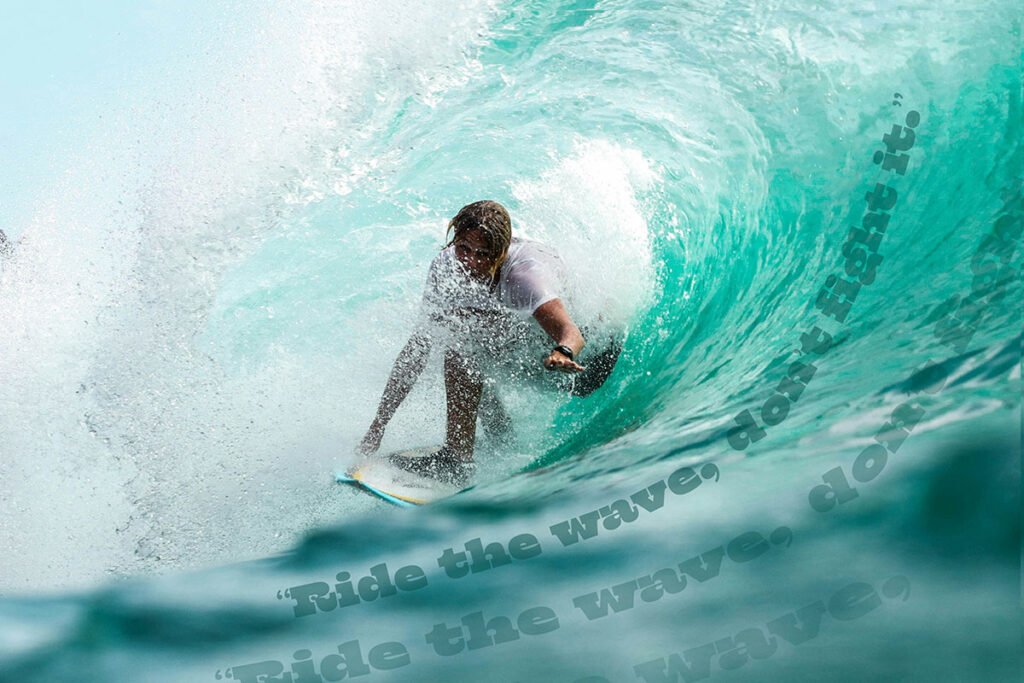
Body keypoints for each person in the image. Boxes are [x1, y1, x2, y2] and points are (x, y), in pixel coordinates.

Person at [357, 200, 621, 485]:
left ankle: (457, 461)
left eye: (483, 254)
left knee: (463, 349)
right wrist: (378, 425)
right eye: (464, 249)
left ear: (502, 251)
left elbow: (572, 332)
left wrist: (563, 351)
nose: (470, 261)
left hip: (586, 366)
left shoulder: (524, 277)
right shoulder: (446, 266)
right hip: (535, 354)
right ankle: (500, 441)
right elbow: (417, 349)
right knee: (462, 333)